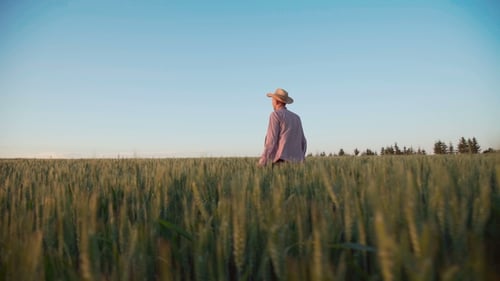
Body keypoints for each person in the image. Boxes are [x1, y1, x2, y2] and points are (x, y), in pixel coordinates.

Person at [258, 88, 307, 166]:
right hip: (298, 163)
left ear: (276, 101)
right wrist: (300, 158)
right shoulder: (297, 118)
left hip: (281, 162)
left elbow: (271, 141)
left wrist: (263, 161)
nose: (272, 102)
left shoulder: (275, 115)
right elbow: (303, 142)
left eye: (272, 100)